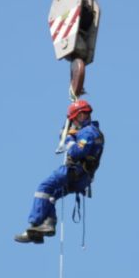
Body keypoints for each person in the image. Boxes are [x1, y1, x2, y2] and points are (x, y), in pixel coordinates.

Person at [14, 100, 104, 244]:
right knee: (51, 195)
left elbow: (76, 151)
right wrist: (68, 132)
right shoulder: (89, 131)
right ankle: (45, 225)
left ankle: (34, 223)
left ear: (81, 116)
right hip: (82, 179)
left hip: (75, 171)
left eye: (74, 118)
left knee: (44, 187)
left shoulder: (88, 132)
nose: (74, 121)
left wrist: (69, 139)